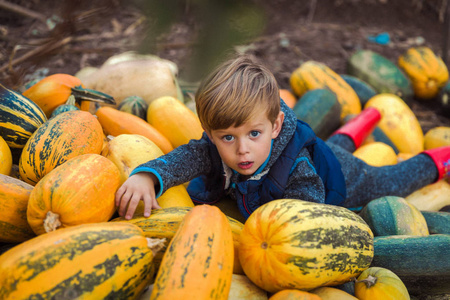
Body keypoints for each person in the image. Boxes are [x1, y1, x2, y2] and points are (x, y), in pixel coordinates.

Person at [115, 55, 450, 220]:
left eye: (253, 134)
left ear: (275, 126)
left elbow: (306, 215)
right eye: (227, 138)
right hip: (316, 149)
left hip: (347, 177)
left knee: (392, 179)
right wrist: (148, 175)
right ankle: (363, 120)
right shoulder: (220, 147)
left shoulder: (299, 172)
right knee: (329, 144)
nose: (242, 149)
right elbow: (186, 157)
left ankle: (441, 157)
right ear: (212, 134)